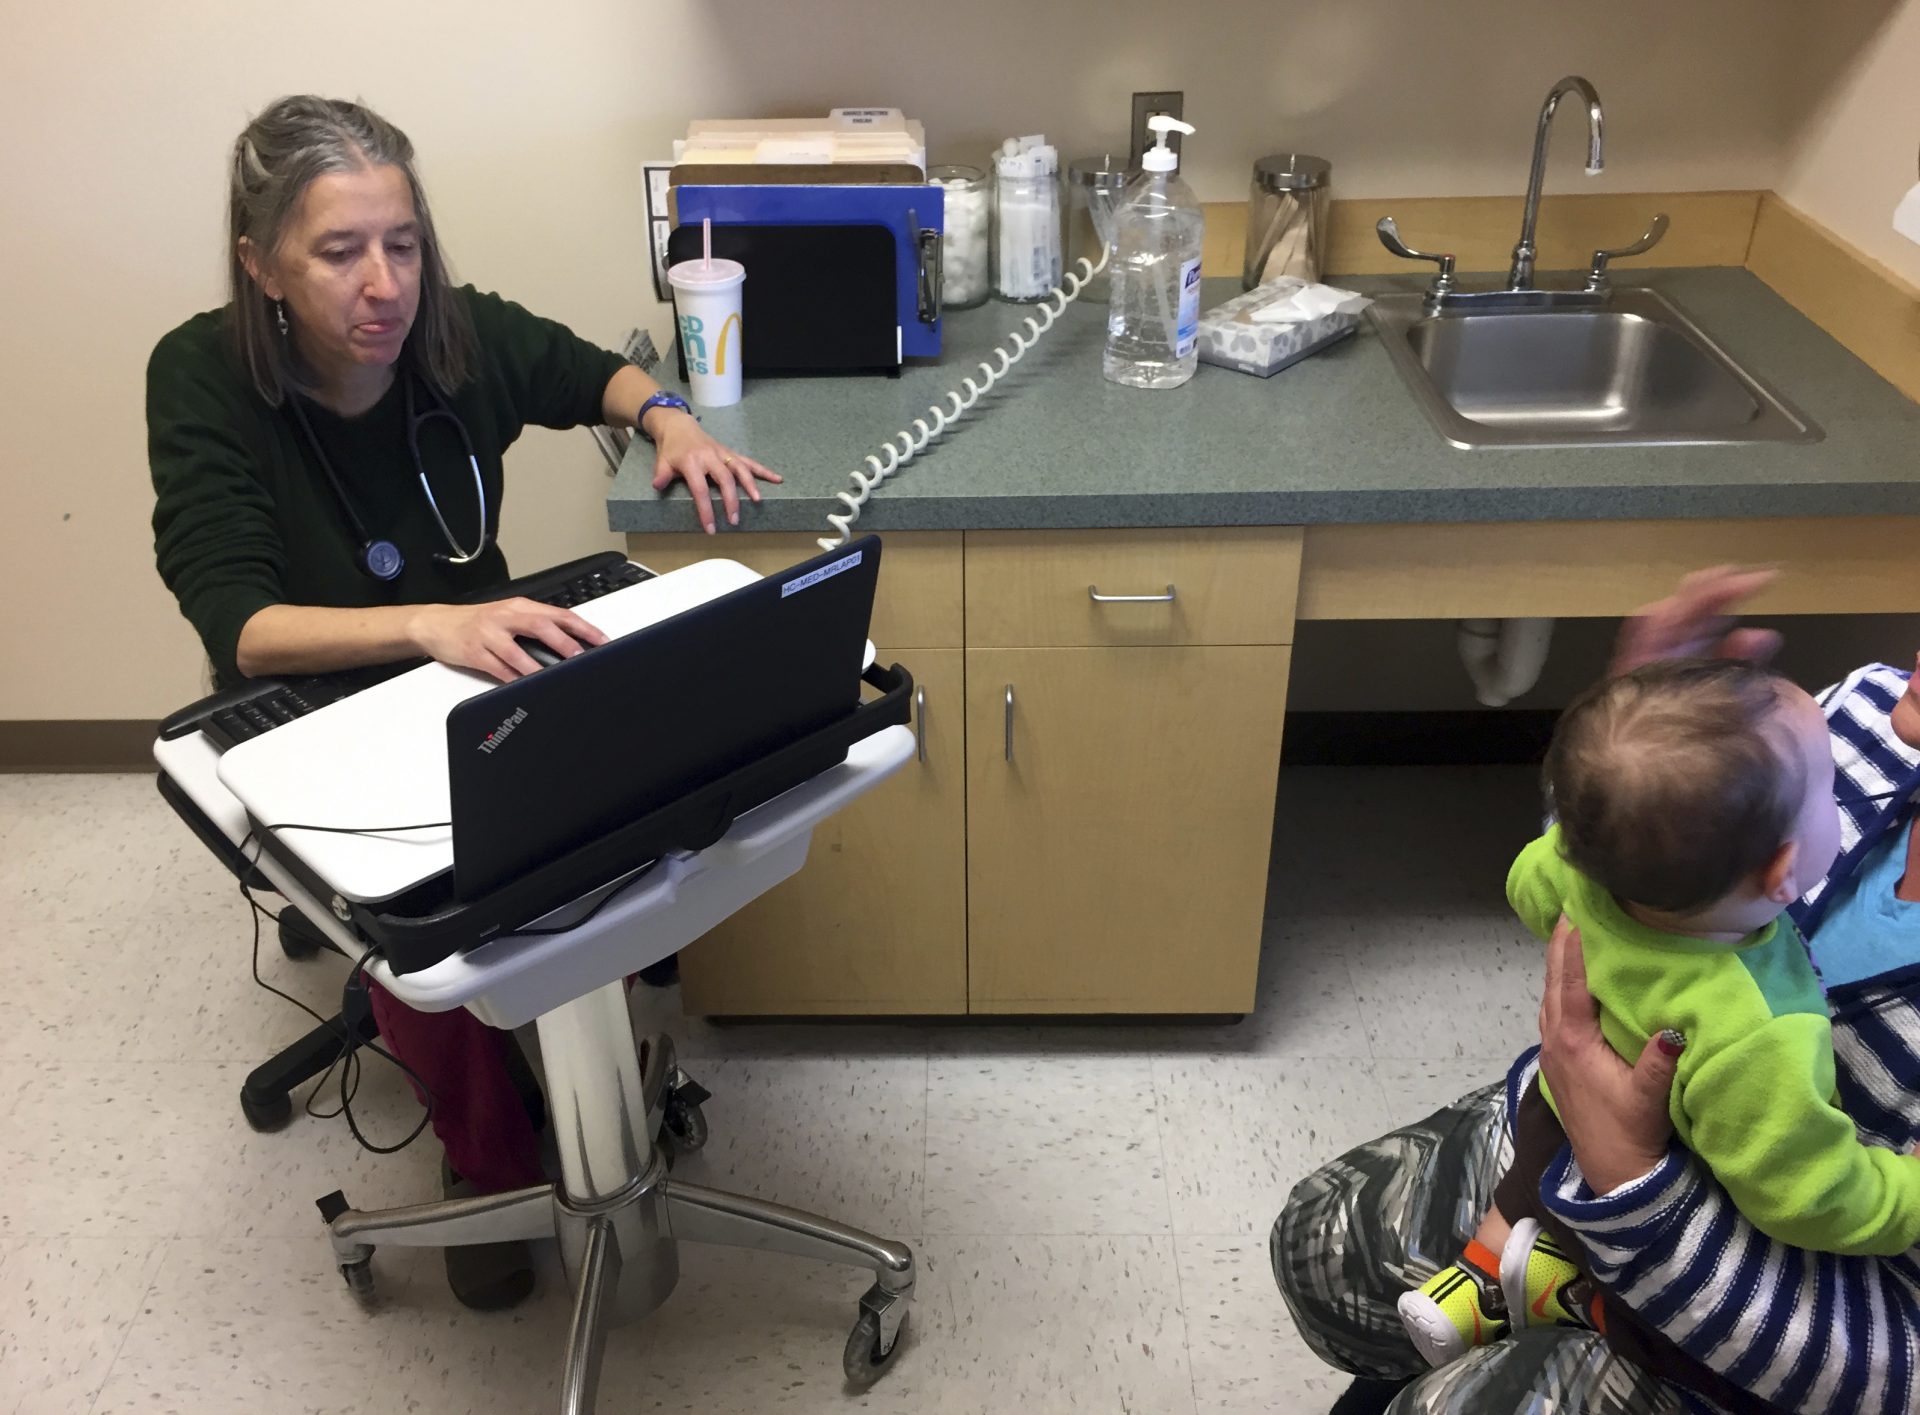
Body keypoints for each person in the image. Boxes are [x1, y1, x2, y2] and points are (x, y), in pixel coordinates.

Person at [147, 95, 777, 1309]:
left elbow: (589, 367)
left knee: (645, 790)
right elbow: (238, 620)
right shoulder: (203, 376)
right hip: (318, 702)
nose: (384, 283)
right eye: (339, 251)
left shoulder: (449, 333)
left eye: (403, 242)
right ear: (260, 262)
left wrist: (670, 418)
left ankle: (606, 1049)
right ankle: (485, 1161)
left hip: (482, 663)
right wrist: (430, 623)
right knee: (428, 914)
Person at [1273, 568, 1920, 1415]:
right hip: (1578, 1144)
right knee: (1322, 1249)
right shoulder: (1870, 710)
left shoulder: (1762, 1021)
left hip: (1746, 1344)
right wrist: (1629, 775)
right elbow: (1644, 873)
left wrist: (1629, 1177)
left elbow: (1560, 888)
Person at [1400, 658, 1920, 1393]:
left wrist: (1627, 1174)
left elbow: (1540, 875)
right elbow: (1810, 1193)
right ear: (1782, 874)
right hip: (1601, 1147)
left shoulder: (1576, 870)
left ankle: (1484, 1274)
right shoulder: (1760, 1033)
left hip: (1712, 1315)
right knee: (1321, 1251)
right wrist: (1906, 1191)